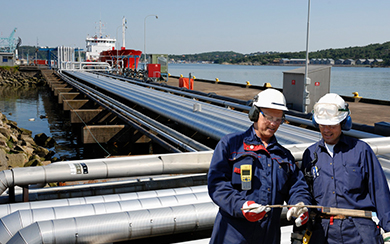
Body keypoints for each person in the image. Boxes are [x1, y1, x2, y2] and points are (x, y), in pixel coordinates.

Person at [207, 88, 312, 244]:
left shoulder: (284, 156)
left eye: (278, 119)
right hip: (232, 236)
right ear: (255, 114)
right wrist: (241, 205)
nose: (273, 123)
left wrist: (301, 204)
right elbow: (217, 185)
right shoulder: (231, 145)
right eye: (269, 117)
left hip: (268, 237)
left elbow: (297, 186)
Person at [301, 93, 390, 244]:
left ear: (344, 122)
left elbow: (380, 191)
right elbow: (303, 192)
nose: (326, 130)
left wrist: (388, 229)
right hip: (323, 232)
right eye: (322, 125)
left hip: (359, 232)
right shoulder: (310, 154)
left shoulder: (361, 151)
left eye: (332, 126)